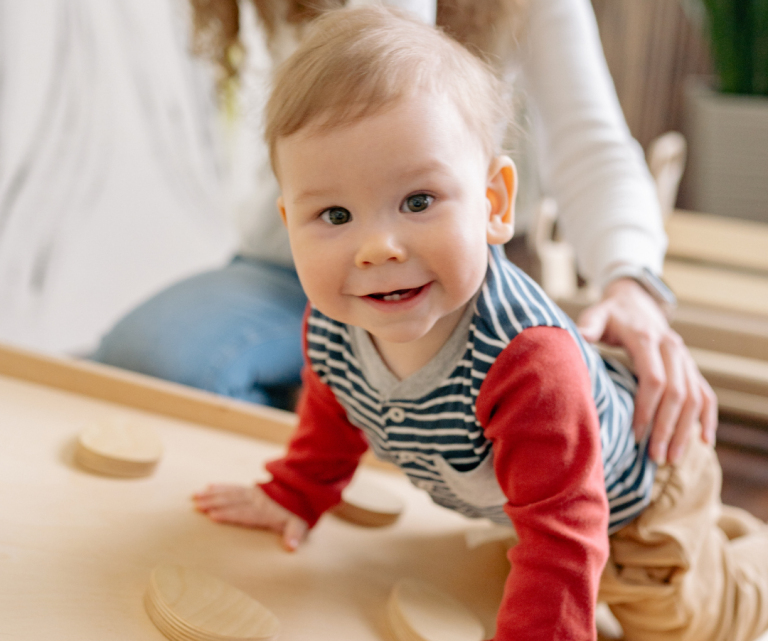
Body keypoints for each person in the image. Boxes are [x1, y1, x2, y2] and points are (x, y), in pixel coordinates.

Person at [193, 7, 768, 641]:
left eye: (418, 201)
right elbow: (335, 414)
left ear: (494, 203)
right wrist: (294, 495)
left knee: (690, 623)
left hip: (641, 503)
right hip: (538, 496)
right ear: (289, 223)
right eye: (334, 216)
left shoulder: (527, 363)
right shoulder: (334, 327)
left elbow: (564, 534)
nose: (377, 248)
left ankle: (750, 568)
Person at [93, 0, 716, 465]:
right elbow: (360, 96)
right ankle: (336, 431)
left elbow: (591, 143)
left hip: (443, 275)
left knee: (492, 424)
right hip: (290, 267)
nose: (378, 248)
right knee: (144, 358)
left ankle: (368, 423)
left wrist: (633, 281)